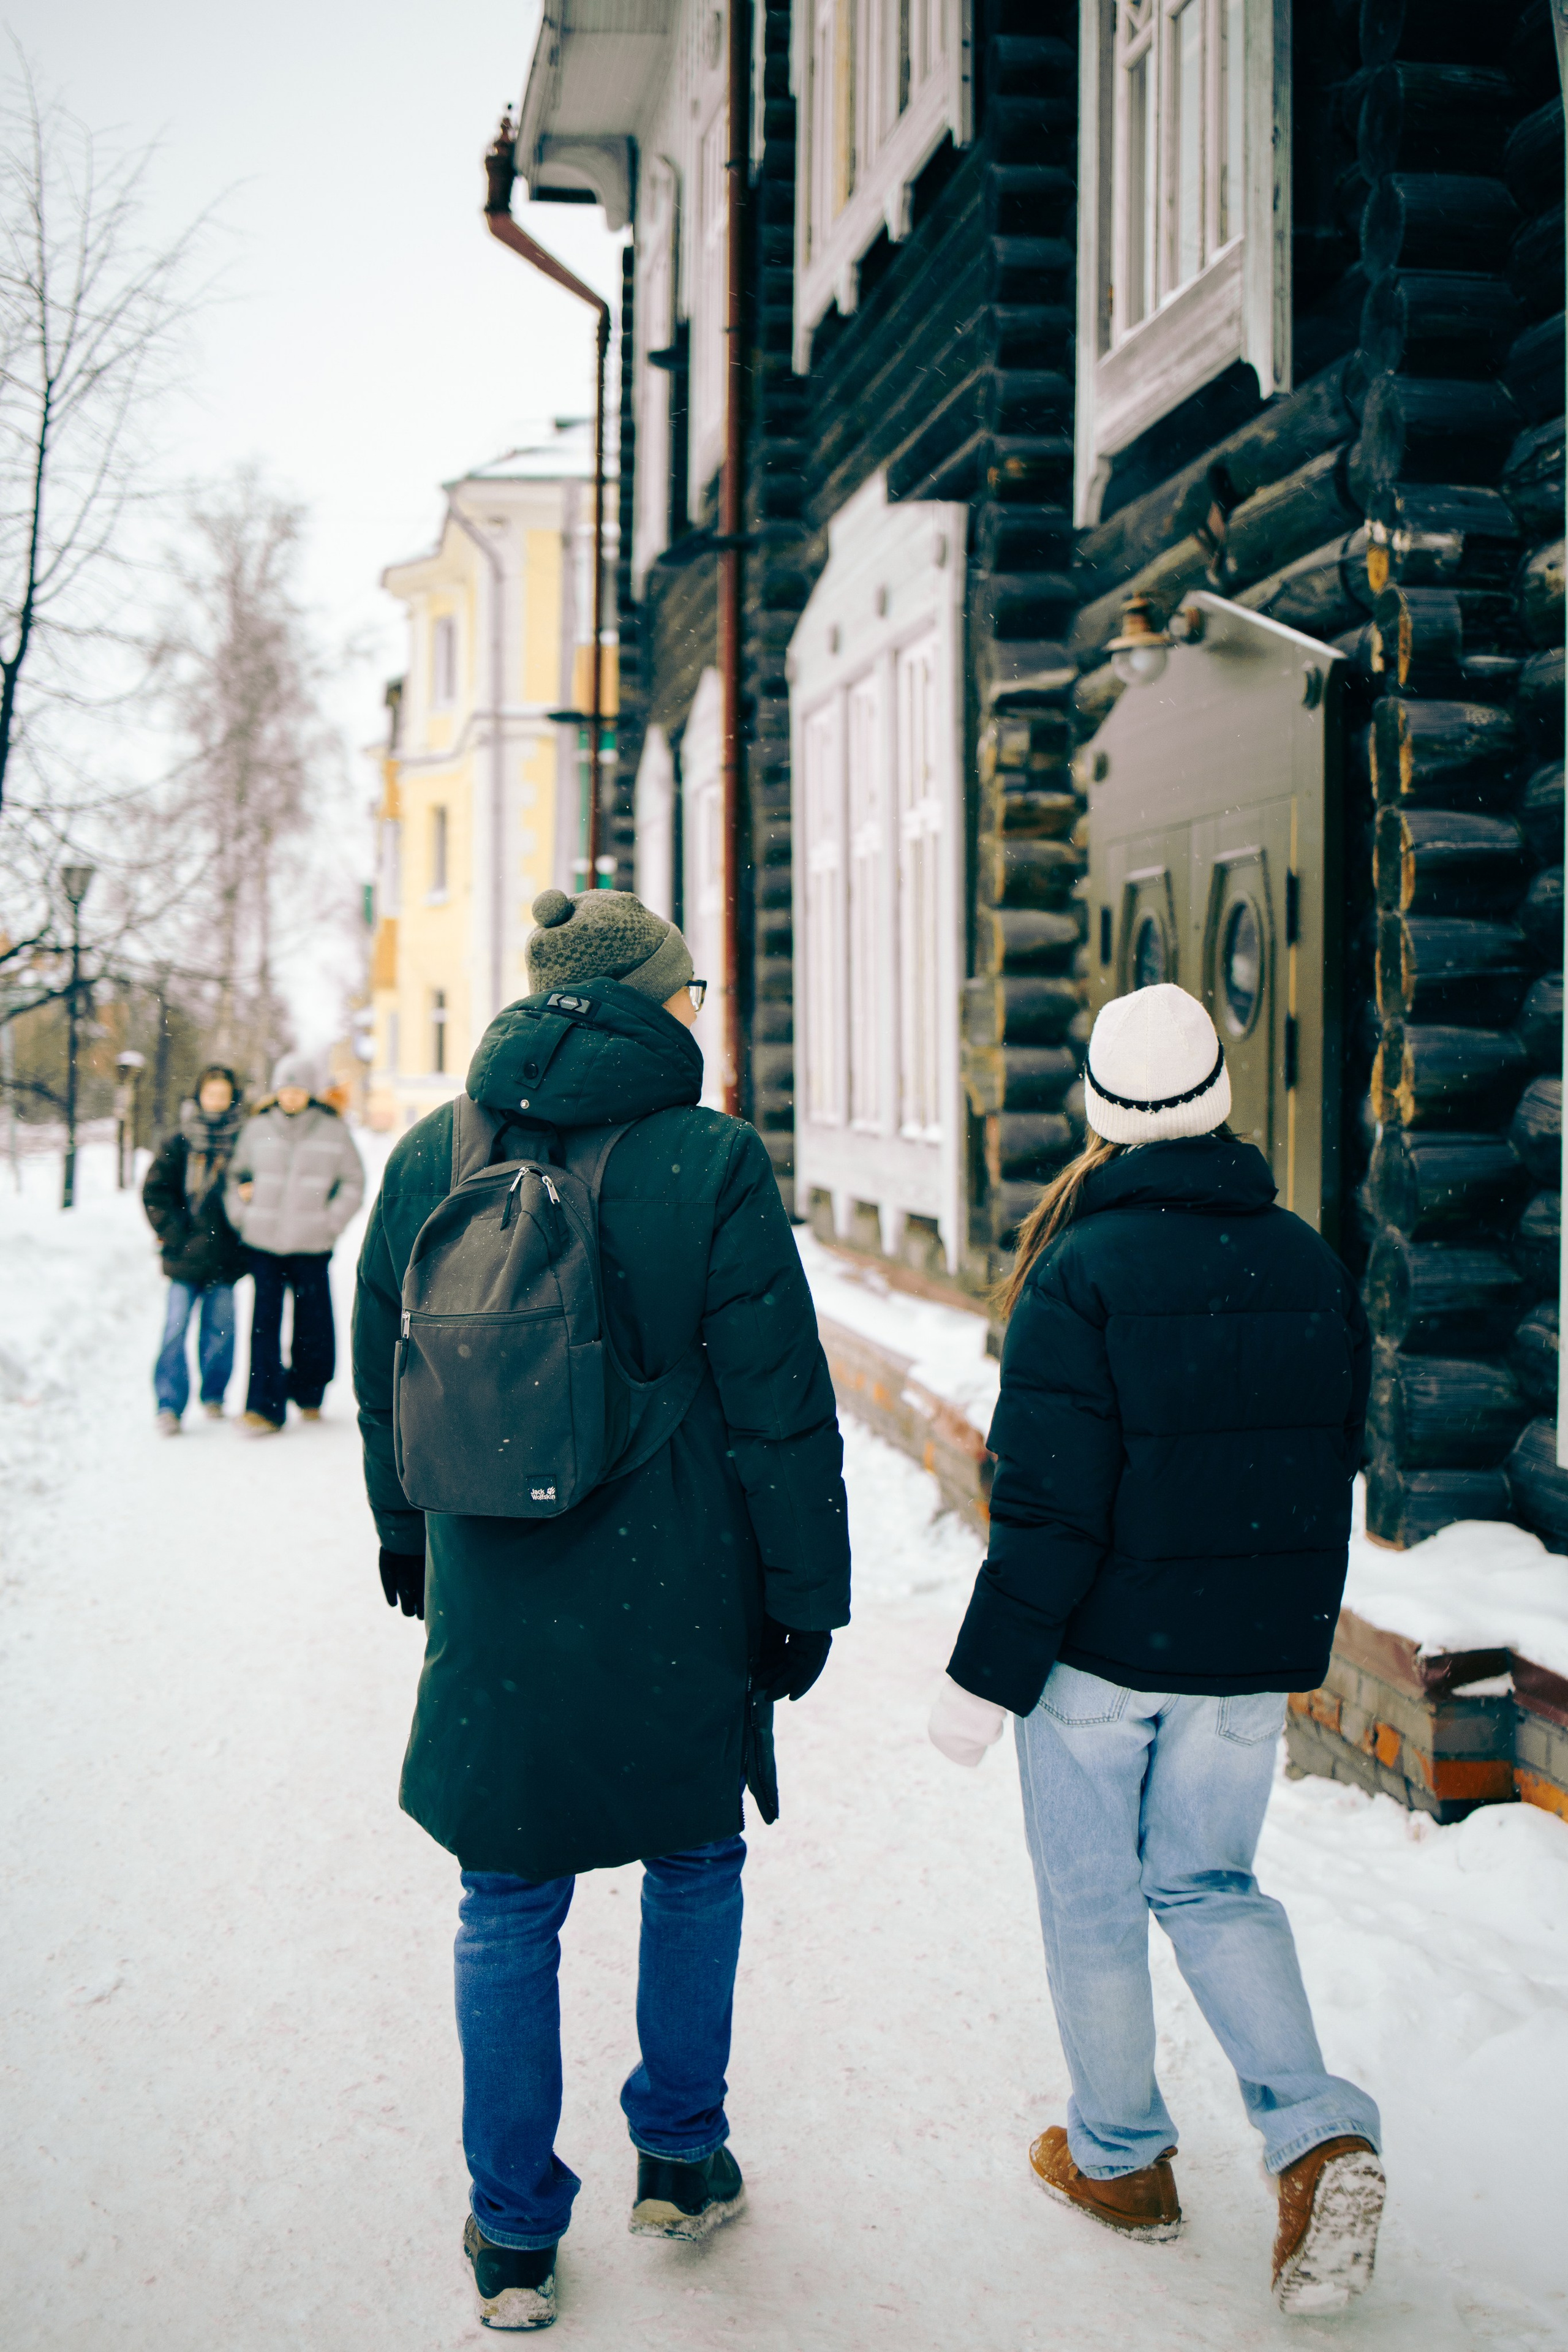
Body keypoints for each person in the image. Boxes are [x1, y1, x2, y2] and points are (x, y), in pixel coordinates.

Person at [353, 888, 850, 2332]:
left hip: (492, 1582)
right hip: (676, 1578)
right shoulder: (708, 1157)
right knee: (693, 1857)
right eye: (688, 989)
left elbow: (386, 1363)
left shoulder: (431, 1151)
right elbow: (775, 1402)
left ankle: (513, 2234)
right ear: (649, 998)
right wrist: (802, 1596)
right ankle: (680, 2158)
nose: (699, 1009)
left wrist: (402, 1529)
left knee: (504, 1898)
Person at [929, 982, 1382, 2319]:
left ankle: (1122, 2159)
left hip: (1100, 1655)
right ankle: (1317, 2135)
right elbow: (1325, 1460)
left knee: (1092, 1903)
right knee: (1211, 1884)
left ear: (1102, 1111)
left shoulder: (1081, 1270)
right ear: (1217, 1103)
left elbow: (1049, 1507)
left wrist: (983, 1679)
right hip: (1239, 1661)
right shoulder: (1305, 1259)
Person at [227, 1050, 364, 1434]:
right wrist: (242, 1215)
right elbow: (235, 1176)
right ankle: (263, 1408)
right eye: (285, 1090)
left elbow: (354, 1182)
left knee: (313, 1322)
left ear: (310, 1093)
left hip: (311, 1244)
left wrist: (329, 1222)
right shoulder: (257, 1128)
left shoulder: (333, 1130)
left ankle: (310, 1392)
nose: (291, 1097)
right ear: (276, 1092)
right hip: (264, 1243)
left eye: (298, 1090)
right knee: (264, 1325)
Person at [141, 1063, 248, 1433]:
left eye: (223, 1095)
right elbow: (155, 1192)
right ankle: (168, 1405)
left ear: (232, 1099)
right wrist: (175, 1234)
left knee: (222, 1332)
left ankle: (214, 1395)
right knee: (174, 1330)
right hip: (183, 1256)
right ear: (199, 1096)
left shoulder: (243, 1143)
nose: (216, 1101)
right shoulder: (179, 1141)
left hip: (224, 1257)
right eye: (210, 1094)